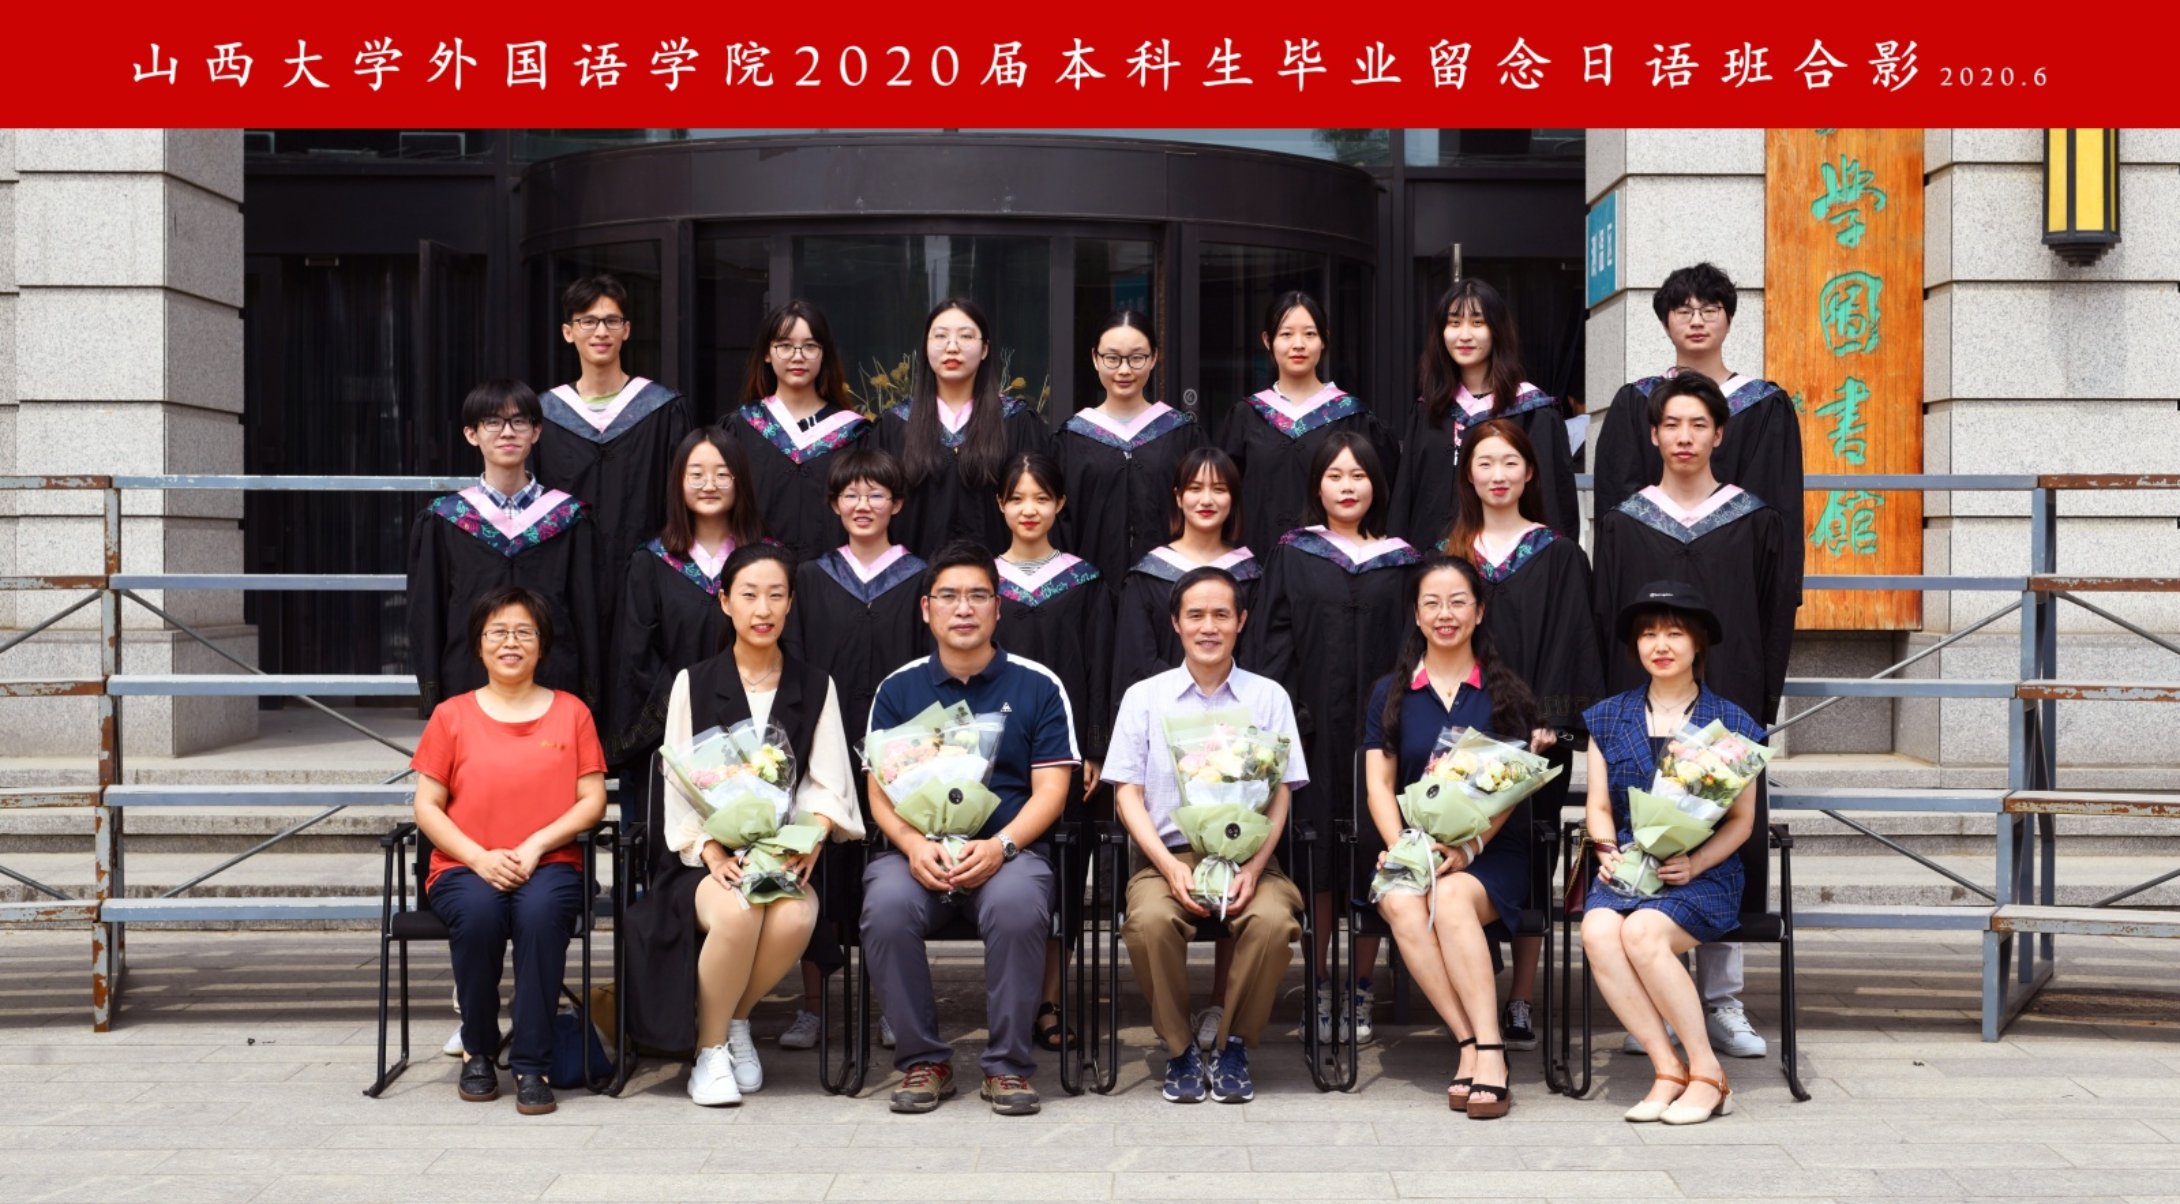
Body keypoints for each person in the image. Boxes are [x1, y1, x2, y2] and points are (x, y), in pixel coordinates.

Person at [1591, 373, 1798, 1062]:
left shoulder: (1753, 519)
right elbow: (1604, 616)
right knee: (1647, 838)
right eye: (1672, 425)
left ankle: (1722, 1000)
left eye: (1698, 425)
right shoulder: (1625, 521)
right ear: (1653, 434)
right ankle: (1659, 1000)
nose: (1684, 437)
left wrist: (1756, 707)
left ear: (1720, 434)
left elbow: (1772, 615)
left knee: (1719, 840)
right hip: (1642, 702)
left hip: (1724, 697)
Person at [620, 545, 866, 1106]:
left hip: (783, 851)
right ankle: (709, 1054)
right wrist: (709, 849)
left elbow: (827, 781)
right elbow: (677, 780)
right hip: (703, 862)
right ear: (725, 601)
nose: (763, 609)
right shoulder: (693, 682)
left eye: (776, 595)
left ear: (791, 603)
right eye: (749, 595)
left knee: (795, 915)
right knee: (738, 910)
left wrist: (812, 836)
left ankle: (733, 1021)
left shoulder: (815, 684)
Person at [861, 542, 1079, 1116]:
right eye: (949, 596)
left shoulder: (1038, 685)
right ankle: (923, 1061)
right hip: (918, 855)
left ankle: (1007, 1067)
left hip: (1008, 854)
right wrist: (912, 845)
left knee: (1017, 905)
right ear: (926, 609)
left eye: (978, 596)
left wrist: (1002, 845)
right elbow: (878, 791)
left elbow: (1052, 790)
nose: (964, 608)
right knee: (885, 904)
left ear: (998, 608)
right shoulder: (898, 689)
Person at [1107, 567, 1307, 1104]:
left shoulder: (1268, 697)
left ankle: (1232, 1044)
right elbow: (1126, 794)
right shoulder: (1144, 697)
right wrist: (1168, 866)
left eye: (1221, 614)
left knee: (1273, 922)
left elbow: (1282, 793)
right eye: (1195, 615)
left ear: (1242, 621)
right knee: (1149, 922)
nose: (1209, 626)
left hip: (1251, 859)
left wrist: (1255, 869)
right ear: (1176, 623)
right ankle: (1179, 1050)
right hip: (1167, 856)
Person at [1247, 430, 1420, 1046]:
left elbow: (1418, 643)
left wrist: (1403, 716)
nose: (1347, 487)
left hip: (1384, 733)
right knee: (1318, 858)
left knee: (1376, 852)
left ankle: (1363, 986)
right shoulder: (1293, 554)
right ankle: (1319, 984)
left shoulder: (1403, 560)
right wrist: (1290, 720)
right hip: (1313, 732)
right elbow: (1273, 644)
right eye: (1335, 476)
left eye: (1359, 476)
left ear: (1378, 485)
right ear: (1316, 486)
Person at [411, 585, 608, 1117]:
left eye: (524, 632)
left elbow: (592, 800)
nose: (511, 642)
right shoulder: (451, 715)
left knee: (541, 915)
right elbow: (427, 806)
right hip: (463, 864)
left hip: (551, 863)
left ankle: (531, 1064)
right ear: (479, 644)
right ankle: (477, 1050)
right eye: (497, 632)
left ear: (542, 644)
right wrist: (479, 857)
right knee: (478, 914)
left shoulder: (572, 712)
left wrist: (536, 844)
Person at [1443, 418, 1606, 1052]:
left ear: (1531, 472)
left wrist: (1554, 724)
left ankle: (1522, 997)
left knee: (1534, 857)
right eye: (1485, 463)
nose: (1498, 475)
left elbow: (1573, 641)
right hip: (1460, 738)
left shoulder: (1558, 554)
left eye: (1510, 462)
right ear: (1468, 473)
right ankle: (1475, 986)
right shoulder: (1449, 554)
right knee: (1461, 852)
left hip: (1536, 741)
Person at [1363, 556, 1544, 1119]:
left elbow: (1509, 791)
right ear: (1417, 616)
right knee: (1400, 899)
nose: (1446, 614)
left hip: (1491, 851)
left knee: (1453, 897)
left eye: (1458, 602)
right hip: (1414, 843)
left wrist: (1467, 849)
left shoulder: (1505, 693)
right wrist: (1404, 848)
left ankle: (1488, 1050)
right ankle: (1473, 1043)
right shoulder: (1391, 692)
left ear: (1479, 611)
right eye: (1432, 603)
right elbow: (1379, 783)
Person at [1581, 584, 1766, 1126]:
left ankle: (1709, 1074)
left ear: (1698, 643)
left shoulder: (1732, 722)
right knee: (1597, 930)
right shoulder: (1607, 717)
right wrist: (1606, 849)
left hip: (1702, 873)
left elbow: (1742, 822)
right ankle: (1667, 1070)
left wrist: (1697, 863)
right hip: (1630, 866)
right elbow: (1598, 806)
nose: (1660, 645)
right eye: (1648, 635)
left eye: (1674, 633)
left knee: (1643, 933)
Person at [777, 446, 930, 1051]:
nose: (863, 505)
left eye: (876, 494)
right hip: (826, 744)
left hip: (903, 751)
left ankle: (893, 1004)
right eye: (851, 494)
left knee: (890, 875)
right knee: (818, 870)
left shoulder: (919, 579)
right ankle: (813, 1006)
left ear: (898, 503)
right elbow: (795, 666)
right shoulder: (812, 578)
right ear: (834, 504)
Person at [1109, 446, 1258, 1047]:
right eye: (1194, 487)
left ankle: (1224, 1007)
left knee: (1245, 875)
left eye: (1219, 488)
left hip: (1237, 741)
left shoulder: (1253, 572)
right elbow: (1134, 662)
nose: (1206, 498)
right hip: (1168, 744)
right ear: (1177, 497)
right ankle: (1177, 1035)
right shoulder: (1148, 574)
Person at [988, 451, 1113, 1052]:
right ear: (1000, 505)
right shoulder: (981, 584)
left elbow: (1099, 668)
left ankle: (1049, 1000)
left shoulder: (1085, 582)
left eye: (1041, 498)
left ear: (1060, 504)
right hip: (991, 754)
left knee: (1063, 874)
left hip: (1063, 755)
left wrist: (1093, 746)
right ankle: (1005, 1001)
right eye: (1017, 498)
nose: (1029, 509)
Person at [533, 275, 693, 743]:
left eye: (611, 320)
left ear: (627, 330)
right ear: (569, 332)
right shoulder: (544, 415)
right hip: (568, 576)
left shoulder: (661, 408)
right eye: (588, 321)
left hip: (643, 571)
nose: (600, 331)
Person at [407, 380, 597, 718]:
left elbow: (587, 612)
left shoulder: (568, 517)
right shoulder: (446, 519)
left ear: (536, 432)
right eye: (493, 422)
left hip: (553, 682)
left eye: (519, 421)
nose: (507, 432)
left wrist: (590, 693)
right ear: (471, 434)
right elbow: (428, 614)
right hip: (467, 682)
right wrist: (433, 695)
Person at [1591, 262, 1805, 557]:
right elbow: (1618, 492)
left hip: (1738, 562)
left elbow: (1776, 500)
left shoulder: (1764, 405)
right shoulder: (1636, 402)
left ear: (1729, 321)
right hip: (1650, 559)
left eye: (1709, 311)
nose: (1697, 322)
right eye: (1684, 312)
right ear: (1665, 324)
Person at [604, 425, 764, 766]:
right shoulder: (651, 562)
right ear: (678, 482)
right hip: (670, 736)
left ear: (740, 481)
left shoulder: (765, 562)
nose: (709, 485)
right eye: (697, 475)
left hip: (754, 730)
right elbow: (639, 655)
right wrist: (685, 710)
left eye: (722, 474)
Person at [1389, 279, 1580, 545]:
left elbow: (1553, 499)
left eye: (1478, 323)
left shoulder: (1533, 412)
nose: (1465, 335)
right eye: (1454, 323)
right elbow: (1406, 498)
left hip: (1512, 560)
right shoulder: (1428, 410)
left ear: (1497, 330)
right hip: (1434, 563)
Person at [1220, 290, 1399, 558]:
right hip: (1257, 562)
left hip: (1334, 564)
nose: (1298, 344)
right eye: (1286, 334)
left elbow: (1383, 497)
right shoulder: (1246, 417)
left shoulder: (1352, 417)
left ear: (1324, 339)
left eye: (1310, 334)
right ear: (1267, 340)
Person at [878, 297, 1050, 557]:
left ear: (984, 349)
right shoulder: (895, 425)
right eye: (940, 336)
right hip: (916, 576)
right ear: (926, 347)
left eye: (966, 336)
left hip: (999, 575)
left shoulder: (1017, 421)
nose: (952, 347)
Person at [1053, 309, 1206, 580]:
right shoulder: (1072, 438)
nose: (1124, 370)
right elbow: (1060, 523)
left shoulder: (1181, 434)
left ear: (1154, 358)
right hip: (1091, 586)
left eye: (1136, 358)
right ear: (1095, 359)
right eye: (1112, 358)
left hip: (1169, 586)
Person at [729, 300, 874, 563]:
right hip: (759, 577)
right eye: (785, 346)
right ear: (767, 353)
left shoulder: (853, 433)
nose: (798, 356)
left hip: (833, 577)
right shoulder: (742, 427)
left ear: (824, 354)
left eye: (810, 346)